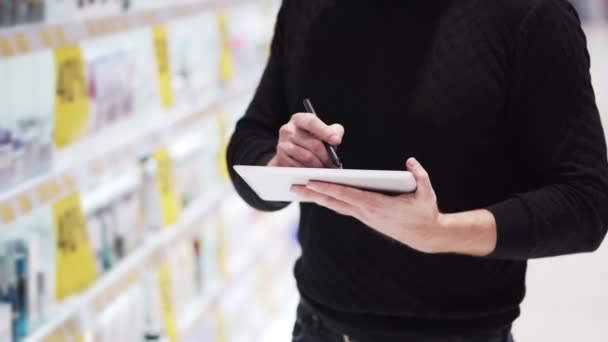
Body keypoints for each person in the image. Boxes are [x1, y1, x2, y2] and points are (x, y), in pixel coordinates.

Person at [227, 0, 608, 341]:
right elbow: (249, 142)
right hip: (318, 325)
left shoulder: (529, 13)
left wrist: (440, 233)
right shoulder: (307, 10)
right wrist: (281, 166)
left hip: (461, 332)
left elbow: (586, 203)